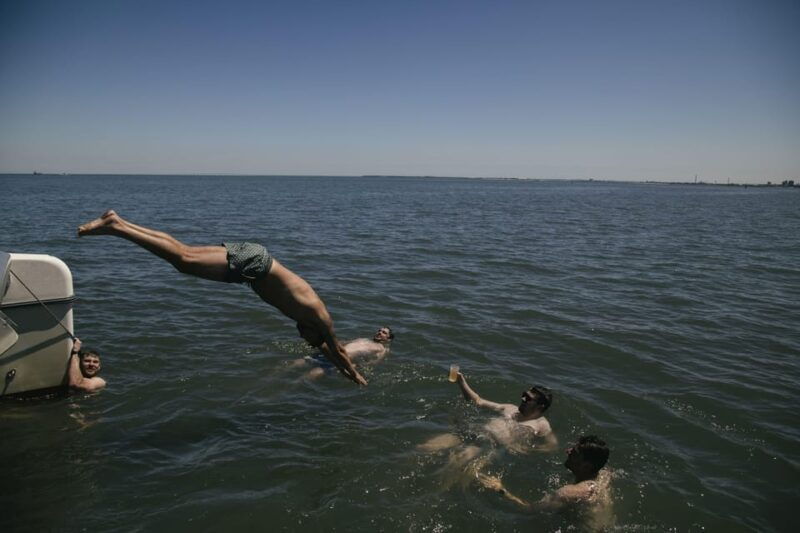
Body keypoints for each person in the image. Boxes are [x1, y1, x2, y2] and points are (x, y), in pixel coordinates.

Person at [77, 210, 366, 385]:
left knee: (183, 255)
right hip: (256, 267)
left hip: (256, 260)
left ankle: (117, 222)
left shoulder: (311, 321)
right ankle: (117, 229)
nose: (305, 339)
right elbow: (337, 351)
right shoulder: (321, 318)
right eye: (310, 339)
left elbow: (329, 352)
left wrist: (334, 359)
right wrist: (354, 375)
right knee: (183, 259)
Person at [477, 435, 613, 528]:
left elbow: (528, 510)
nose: (568, 451)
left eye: (574, 452)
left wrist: (500, 489)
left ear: (586, 466)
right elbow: (609, 470)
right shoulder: (603, 476)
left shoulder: (567, 493)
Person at [417, 372, 557, 454]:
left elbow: (552, 446)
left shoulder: (541, 425)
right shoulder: (509, 408)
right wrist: (461, 382)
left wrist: (524, 449)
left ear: (540, 406)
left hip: (485, 447)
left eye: (528, 399)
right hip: (471, 434)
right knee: (424, 448)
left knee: (453, 465)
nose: (523, 399)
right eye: (523, 395)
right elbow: (478, 401)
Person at [294, 326, 394, 380]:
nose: (380, 332)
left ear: (388, 339)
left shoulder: (382, 349)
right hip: (330, 354)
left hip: (339, 362)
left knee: (311, 374)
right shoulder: (364, 339)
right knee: (296, 362)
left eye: (384, 332)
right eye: (379, 330)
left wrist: (354, 367)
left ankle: (294, 387)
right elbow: (344, 343)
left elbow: (373, 363)